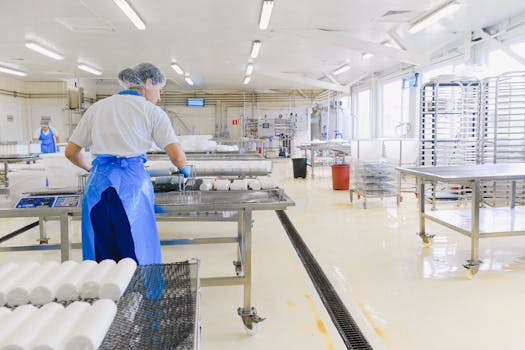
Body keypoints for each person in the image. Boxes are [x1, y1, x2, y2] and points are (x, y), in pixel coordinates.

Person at [65, 63, 190, 265]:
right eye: (159, 90)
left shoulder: (97, 108)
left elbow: (71, 152)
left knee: (100, 250)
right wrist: (185, 169)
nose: (159, 97)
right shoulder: (152, 112)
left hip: (98, 186)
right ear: (148, 83)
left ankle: (101, 294)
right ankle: (140, 294)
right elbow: (177, 157)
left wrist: (93, 169)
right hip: (133, 188)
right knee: (136, 248)